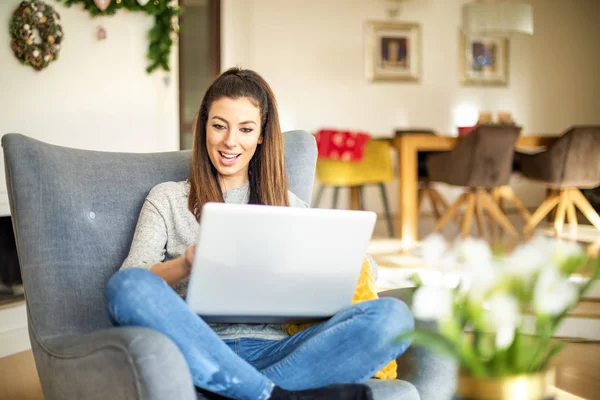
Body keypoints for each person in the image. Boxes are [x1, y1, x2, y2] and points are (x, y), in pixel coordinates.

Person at [104, 67, 414, 400]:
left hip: (283, 354)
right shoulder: (167, 198)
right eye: (219, 126)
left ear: (261, 135)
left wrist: (322, 264)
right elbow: (131, 282)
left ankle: (242, 391)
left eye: (245, 129)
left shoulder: (287, 205)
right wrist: (188, 263)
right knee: (125, 287)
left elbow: (361, 271)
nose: (230, 141)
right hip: (201, 350)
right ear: (203, 128)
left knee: (394, 317)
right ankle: (272, 396)